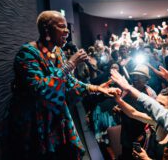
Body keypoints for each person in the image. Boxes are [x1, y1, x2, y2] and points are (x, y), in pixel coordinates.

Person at [8, 11, 119, 160]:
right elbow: (41, 90)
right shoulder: (27, 54)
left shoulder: (58, 52)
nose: (67, 31)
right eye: (62, 26)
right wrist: (70, 65)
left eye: (67, 27)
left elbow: (69, 83)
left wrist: (96, 88)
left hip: (56, 122)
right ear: (46, 29)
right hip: (35, 125)